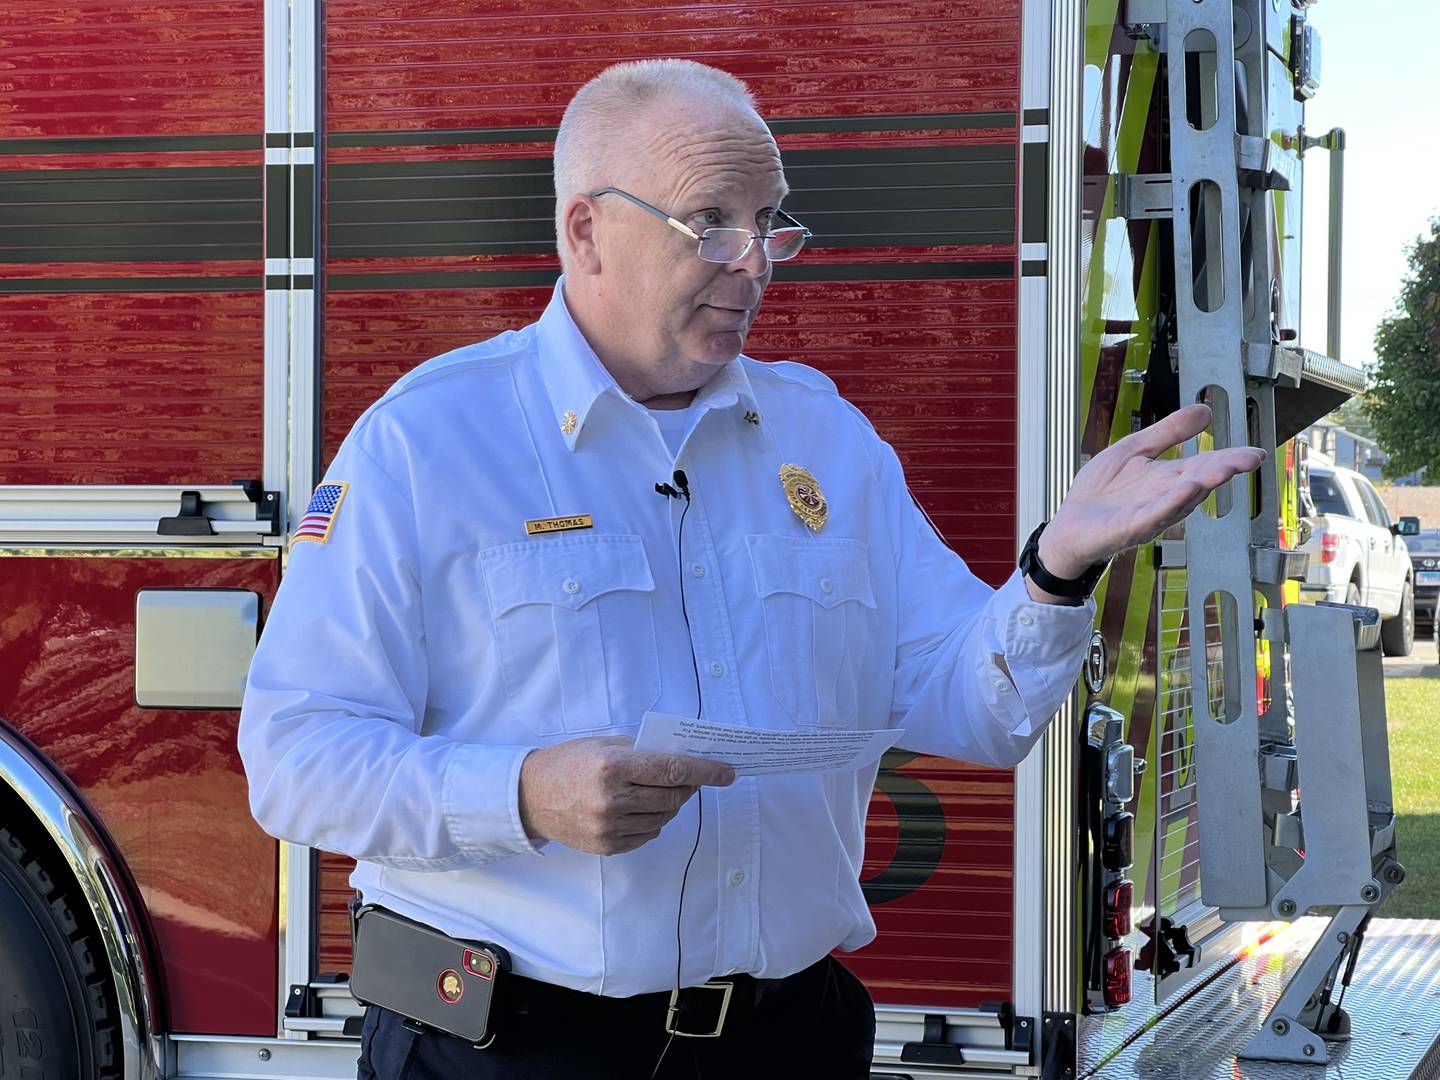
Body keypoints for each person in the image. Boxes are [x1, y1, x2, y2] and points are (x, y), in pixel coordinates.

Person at [237, 59, 1265, 1080]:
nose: (755, 261)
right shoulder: (427, 441)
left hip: (788, 1041)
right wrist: (519, 794)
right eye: (711, 222)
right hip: (509, 1047)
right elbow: (295, 758)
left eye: (770, 220)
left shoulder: (825, 437)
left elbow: (976, 708)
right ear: (586, 231)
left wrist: (1056, 566)